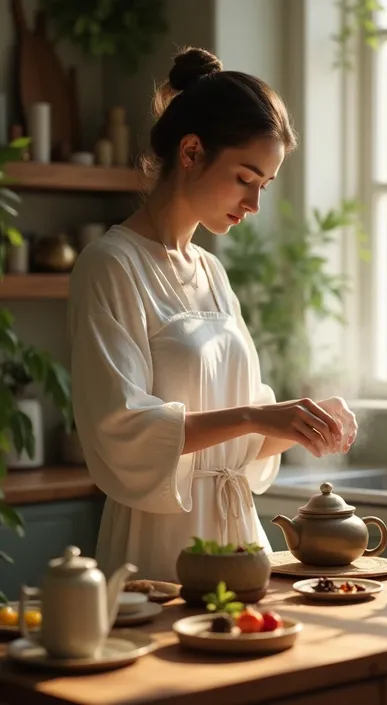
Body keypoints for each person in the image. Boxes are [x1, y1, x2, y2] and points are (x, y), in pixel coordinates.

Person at [68, 47, 358, 581]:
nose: (254, 204)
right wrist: (254, 416)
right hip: (160, 543)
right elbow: (120, 428)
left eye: (264, 186)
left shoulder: (211, 272)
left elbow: (244, 443)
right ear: (192, 151)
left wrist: (304, 420)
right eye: (245, 178)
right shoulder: (110, 265)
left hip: (239, 539)